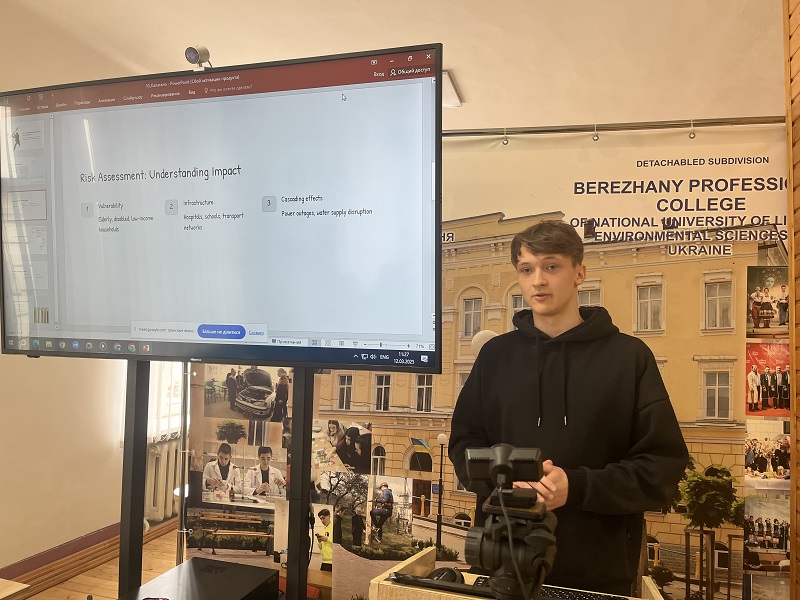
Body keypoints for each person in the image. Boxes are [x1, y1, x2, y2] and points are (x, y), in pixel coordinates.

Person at [449, 220, 689, 596]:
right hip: (502, 568)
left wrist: (575, 487)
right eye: (526, 269)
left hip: (599, 577)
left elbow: (661, 469)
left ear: (579, 273)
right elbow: (464, 447)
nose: (538, 281)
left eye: (551, 266)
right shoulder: (495, 357)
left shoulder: (629, 358)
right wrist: (507, 481)